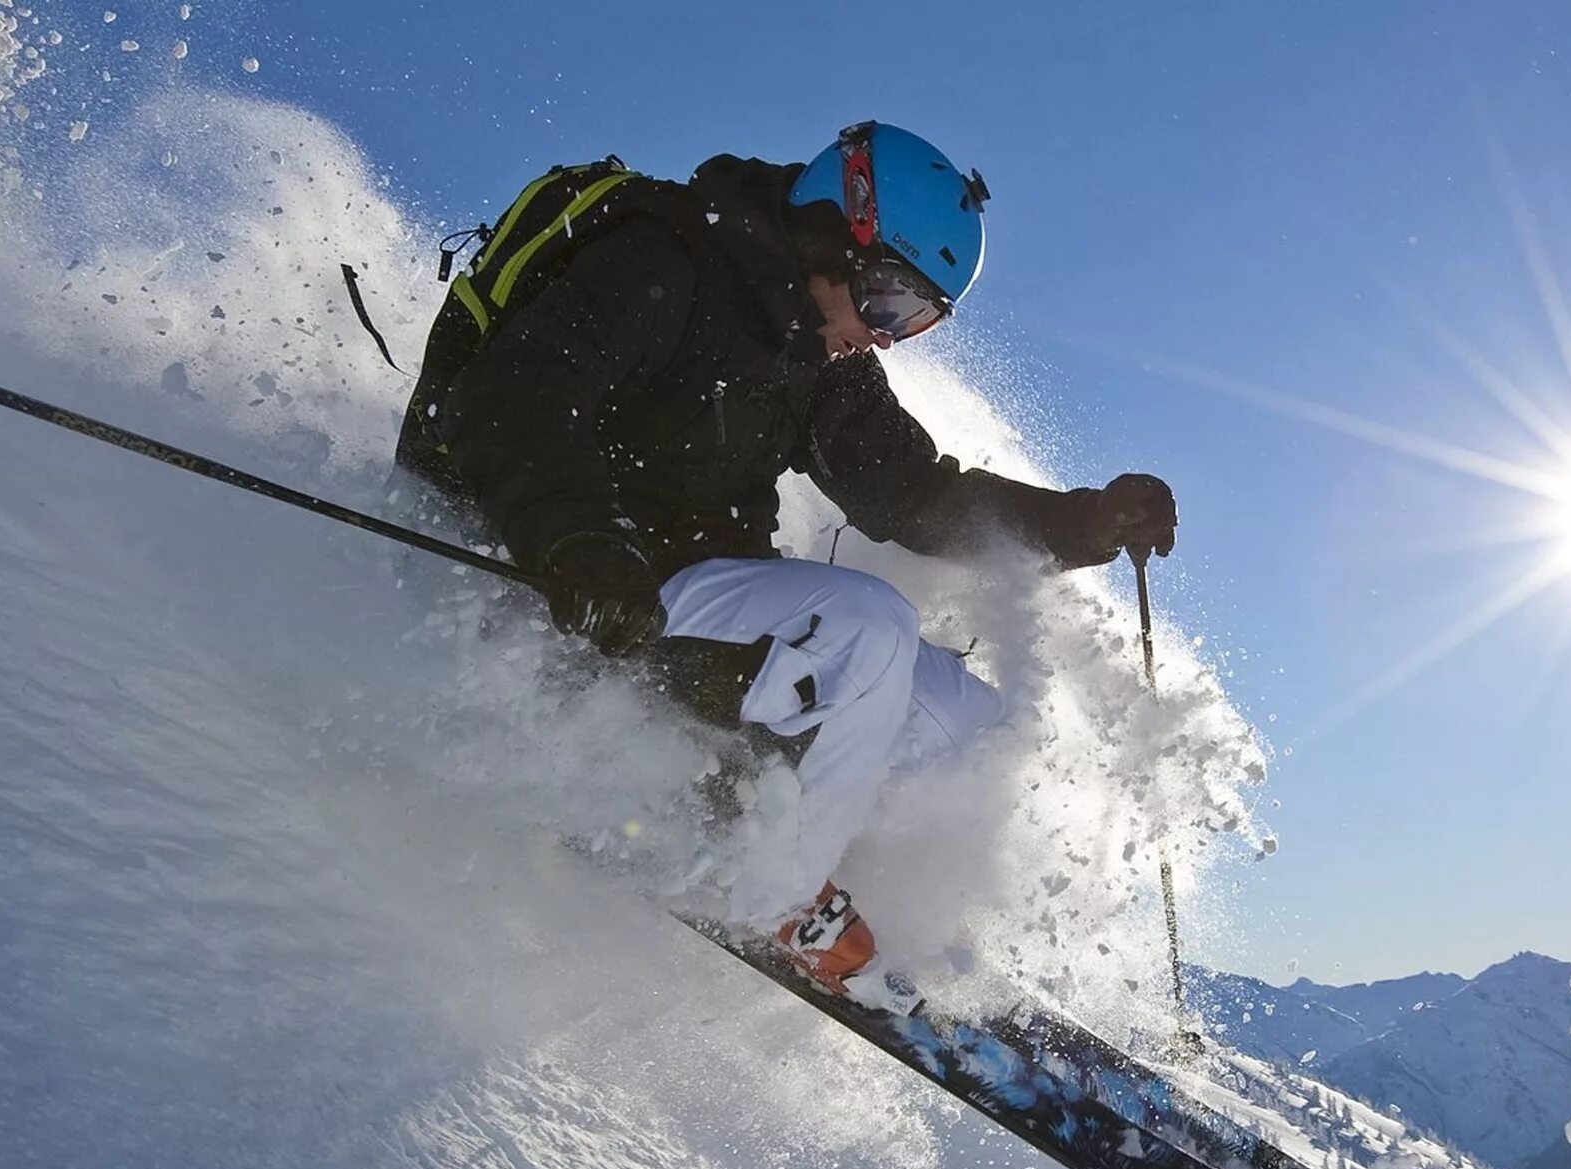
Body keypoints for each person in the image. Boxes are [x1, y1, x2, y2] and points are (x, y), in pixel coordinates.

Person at [394, 121, 1176, 988]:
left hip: (684, 598)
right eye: (888, 303)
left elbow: (913, 492)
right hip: (563, 582)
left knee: (966, 724)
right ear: (834, 233)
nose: (886, 336)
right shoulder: (666, 259)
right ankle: (772, 894)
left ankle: (843, 877)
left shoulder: (814, 353)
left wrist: (1082, 526)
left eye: (916, 322)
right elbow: (517, 398)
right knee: (869, 627)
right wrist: (577, 542)